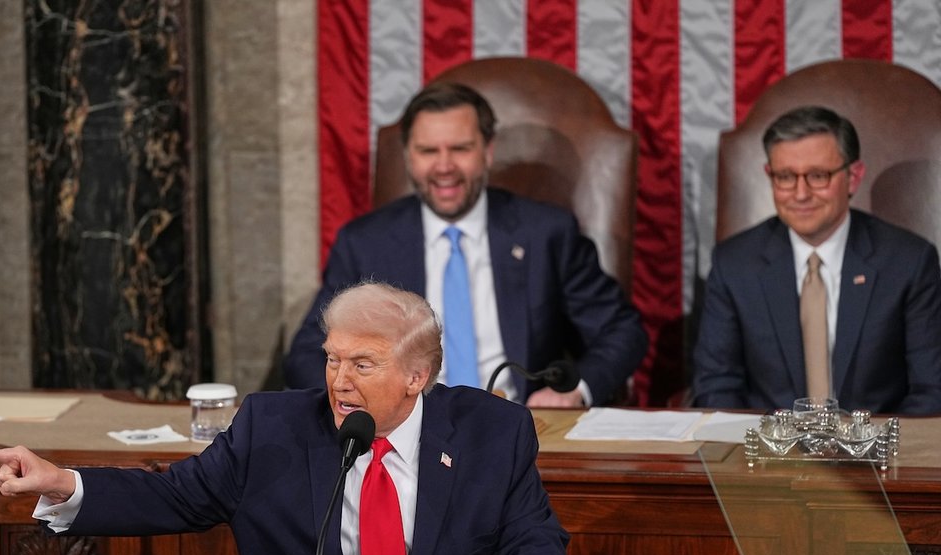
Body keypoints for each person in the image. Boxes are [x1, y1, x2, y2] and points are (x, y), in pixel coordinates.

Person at [0, 282, 573, 555]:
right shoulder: (272, 429)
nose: (340, 381)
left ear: (419, 375)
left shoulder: (494, 432)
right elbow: (175, 495)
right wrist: (63, 484)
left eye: (362, 365)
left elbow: (532, 545)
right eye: (333, 359)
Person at [285, 82, 647, 408]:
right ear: (410, 157)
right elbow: (307, 354)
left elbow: (621, 330)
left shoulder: (545, 232)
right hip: (399, 432)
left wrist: (574, 390)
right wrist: (362, 403)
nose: (444, 167)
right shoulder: (365, 243)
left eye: (460, 149)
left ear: (487, 152)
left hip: (520, 428)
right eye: (428, 151)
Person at [693, 105, 941, 414]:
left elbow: (931, 391)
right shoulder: (735, 264)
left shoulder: (908, 262)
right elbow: (717, 386)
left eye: (817, 176)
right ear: (769, 176)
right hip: (771, 452)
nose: (800, 194)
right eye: (785, 177)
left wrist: (876, 452)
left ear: (853, 177)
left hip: (877, 453)